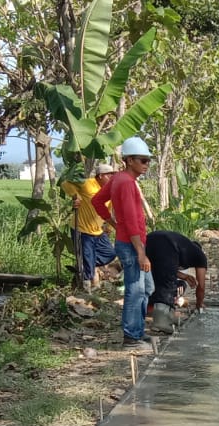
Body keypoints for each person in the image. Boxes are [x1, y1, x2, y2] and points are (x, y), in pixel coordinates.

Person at [92, 136, 155, 354]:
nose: (146, 165)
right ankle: (131, 336)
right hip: (131, 244)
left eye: (148, 161)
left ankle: (137, 330)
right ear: (129, 160)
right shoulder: (126, 183)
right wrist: (141, 252)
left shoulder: (118, 179)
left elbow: (97, 201)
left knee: (147, 288)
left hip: (130, 241)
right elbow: (129, 219)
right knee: (136, 291)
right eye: (142, 160)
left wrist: (111, 222)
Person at [62, 162, 117, 289]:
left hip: (98, 231)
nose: (112, 178)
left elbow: (107, 211)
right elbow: (65, 184)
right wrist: (76, 196)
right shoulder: (87, 184)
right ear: (101, 176)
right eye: (110, 175)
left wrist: (108, 227)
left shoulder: (109, 191)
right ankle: (86, 287)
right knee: (87, 258)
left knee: (110, 254)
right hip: (82, 229)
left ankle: (85, 264)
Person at [144, 230, 208, 334]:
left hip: (148, 239)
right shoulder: (200, 256)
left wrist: (185, 277)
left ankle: (167, 314)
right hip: (165, 242)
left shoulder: (184, 246)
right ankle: (160, 322)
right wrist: (199, 304)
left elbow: (164, 266)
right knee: (168, 282)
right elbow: (201, 286)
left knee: (155, 277)